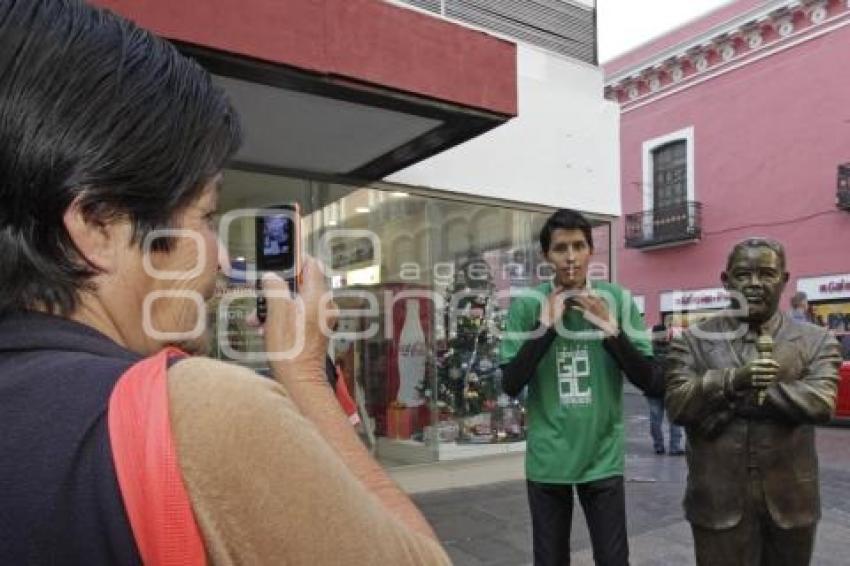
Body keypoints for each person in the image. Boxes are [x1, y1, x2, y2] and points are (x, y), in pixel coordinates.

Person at [0, 1, 448, 564]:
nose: (218, 258)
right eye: (207, 216)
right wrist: (304, 372)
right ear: (98, 225)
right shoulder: (200, 412)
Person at [665, 238, 841, 566]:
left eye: (767, 274)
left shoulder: (817, 341)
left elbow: (819, 402)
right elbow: (677, 404)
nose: (755, 284)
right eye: (743, 275)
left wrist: (733, 397)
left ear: (785, 280)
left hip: (792, 504)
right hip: (717, 503)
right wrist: (737, 379)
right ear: (726, 280)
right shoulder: (694, 340)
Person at [500, 209, 661, 566]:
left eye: (578, 246)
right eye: (560, 248)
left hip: (602, 455)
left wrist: (611, 330)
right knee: (550, 559)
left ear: (591, 251)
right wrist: (545, 328)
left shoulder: (617, 299)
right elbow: (510, 384)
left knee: (614, 559)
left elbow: (649, 380)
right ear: (547, 255)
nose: (570, 257)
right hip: (548, 457)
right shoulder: (528, 305)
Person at [647, 324, 684, 455]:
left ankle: (666, 446)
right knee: (666, 420)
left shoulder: (649, 349)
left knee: (663, 420)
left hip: (661, 389)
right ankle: (667, 446)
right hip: (662, 389)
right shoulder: (671, 348)